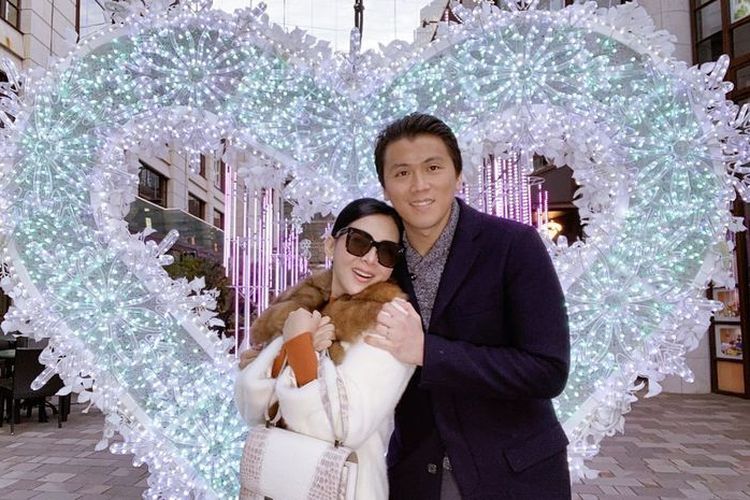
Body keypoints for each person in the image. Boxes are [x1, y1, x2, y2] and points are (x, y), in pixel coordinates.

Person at [365, 113, 571, 499]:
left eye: (433, 167)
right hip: (415, 478)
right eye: (402, 173)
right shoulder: (380, 262)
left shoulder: (513, 246)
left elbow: (548, 370)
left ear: (458, 176)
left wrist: (429, 353)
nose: (419, 185)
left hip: (512, 475)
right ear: (386, 188)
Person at [234, 198, 416, 500]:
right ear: (331, 245)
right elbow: (250, 407)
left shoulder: (390, 322)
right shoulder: (297, 307)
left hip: (346, 489)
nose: (371, 259)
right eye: (359, 242)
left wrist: (299, 348)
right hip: (275, 484)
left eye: (386, 252)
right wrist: (288, 352)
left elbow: (342, 428)